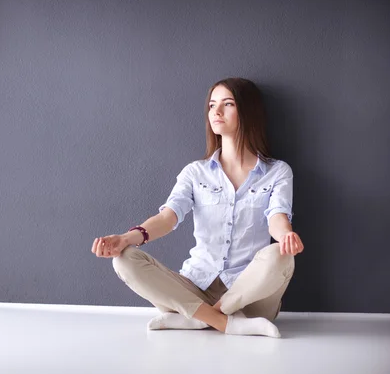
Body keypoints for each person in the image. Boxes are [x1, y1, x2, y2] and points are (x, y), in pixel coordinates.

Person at [90, 77, 304, 338]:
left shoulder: (278, 172)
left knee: (281, 256)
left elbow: (277, 218)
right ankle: (223, 322)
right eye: (212, 105)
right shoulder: (195, 172)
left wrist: (286, 236)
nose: (216, 111)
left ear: (248, 111)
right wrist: (125, 238)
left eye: (227, 104)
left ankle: (198, 317)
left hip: (250, 296)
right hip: (195, 287)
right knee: (124, 259)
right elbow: (167, 218)